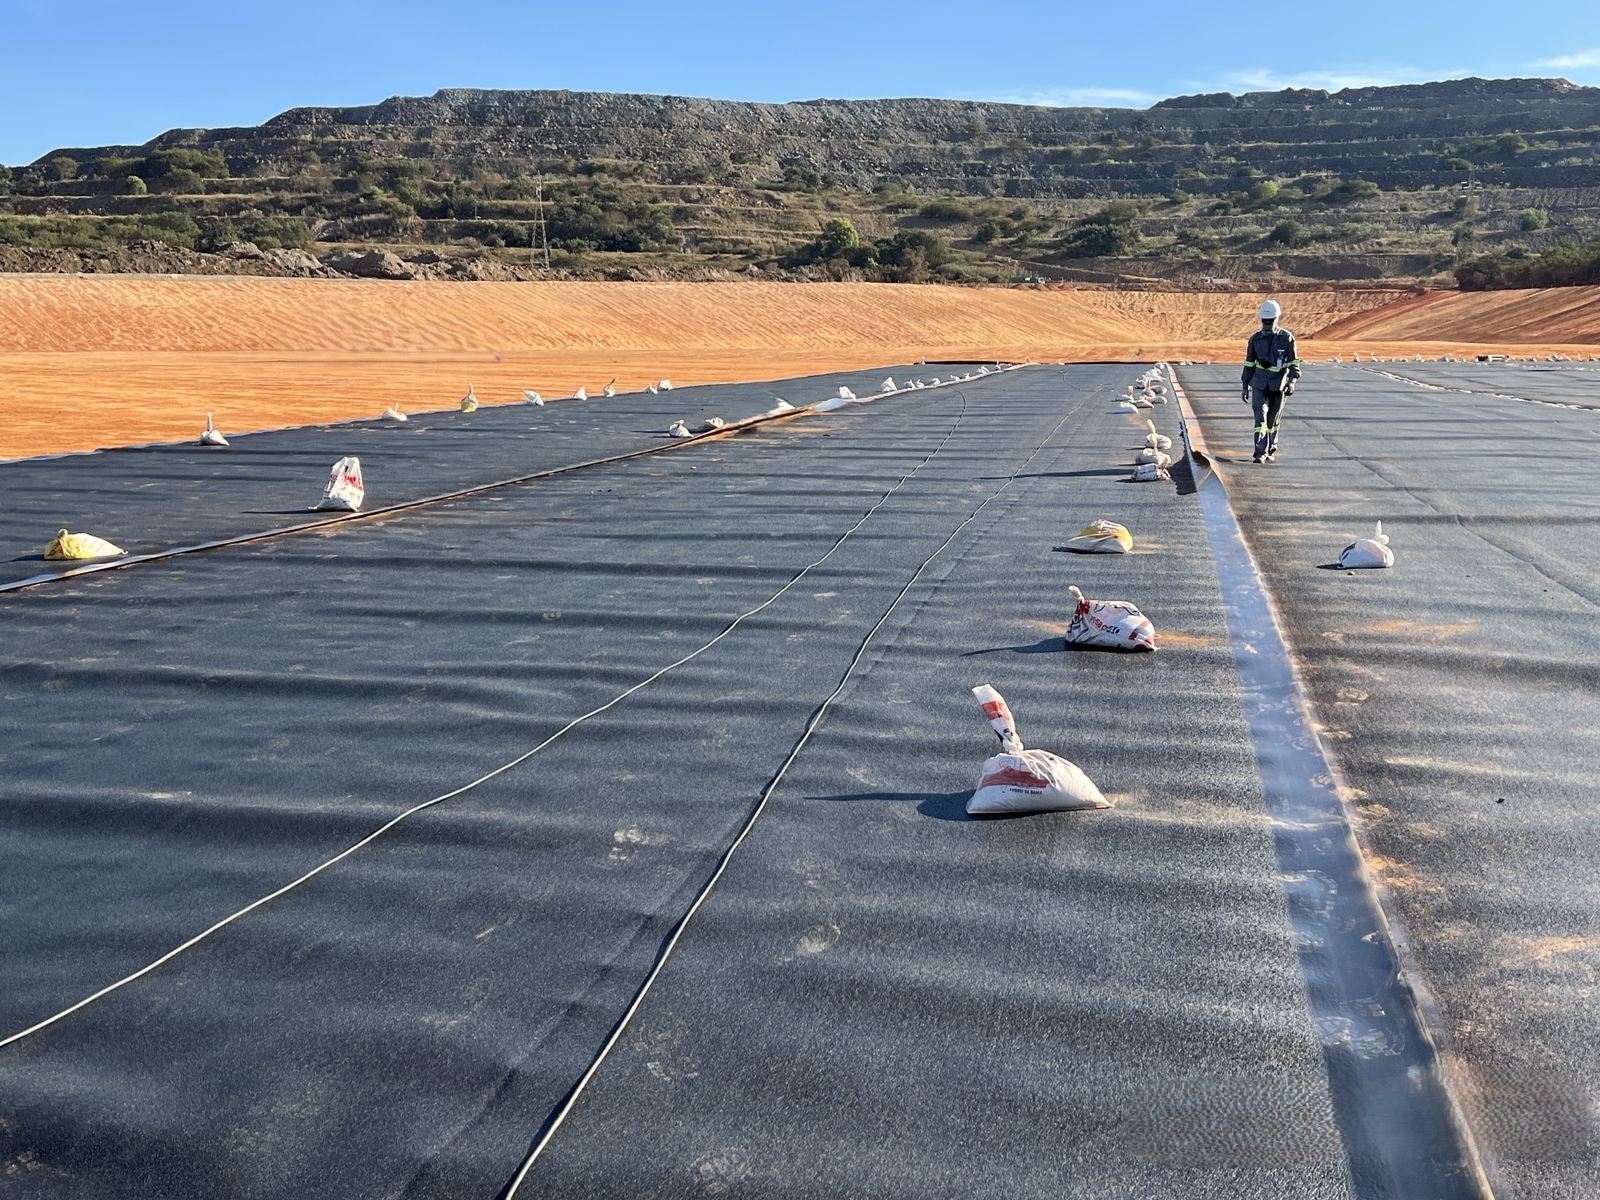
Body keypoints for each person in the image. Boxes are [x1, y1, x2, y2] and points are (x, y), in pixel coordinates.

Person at [1240, 299, 1300, 462]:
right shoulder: (1255, 339)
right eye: (1265, 321)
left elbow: (1294, 363)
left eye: (1270, 321)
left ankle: (1271, 448)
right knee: (1260, 418)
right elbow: (1249, 363)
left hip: (1279, 386)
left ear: (1277, 319)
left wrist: (1292, 382)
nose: (1267, 324)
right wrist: (1245, 386)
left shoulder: (1287, 338)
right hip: (1259, 384)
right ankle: (1260, 452)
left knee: (1273, 421)